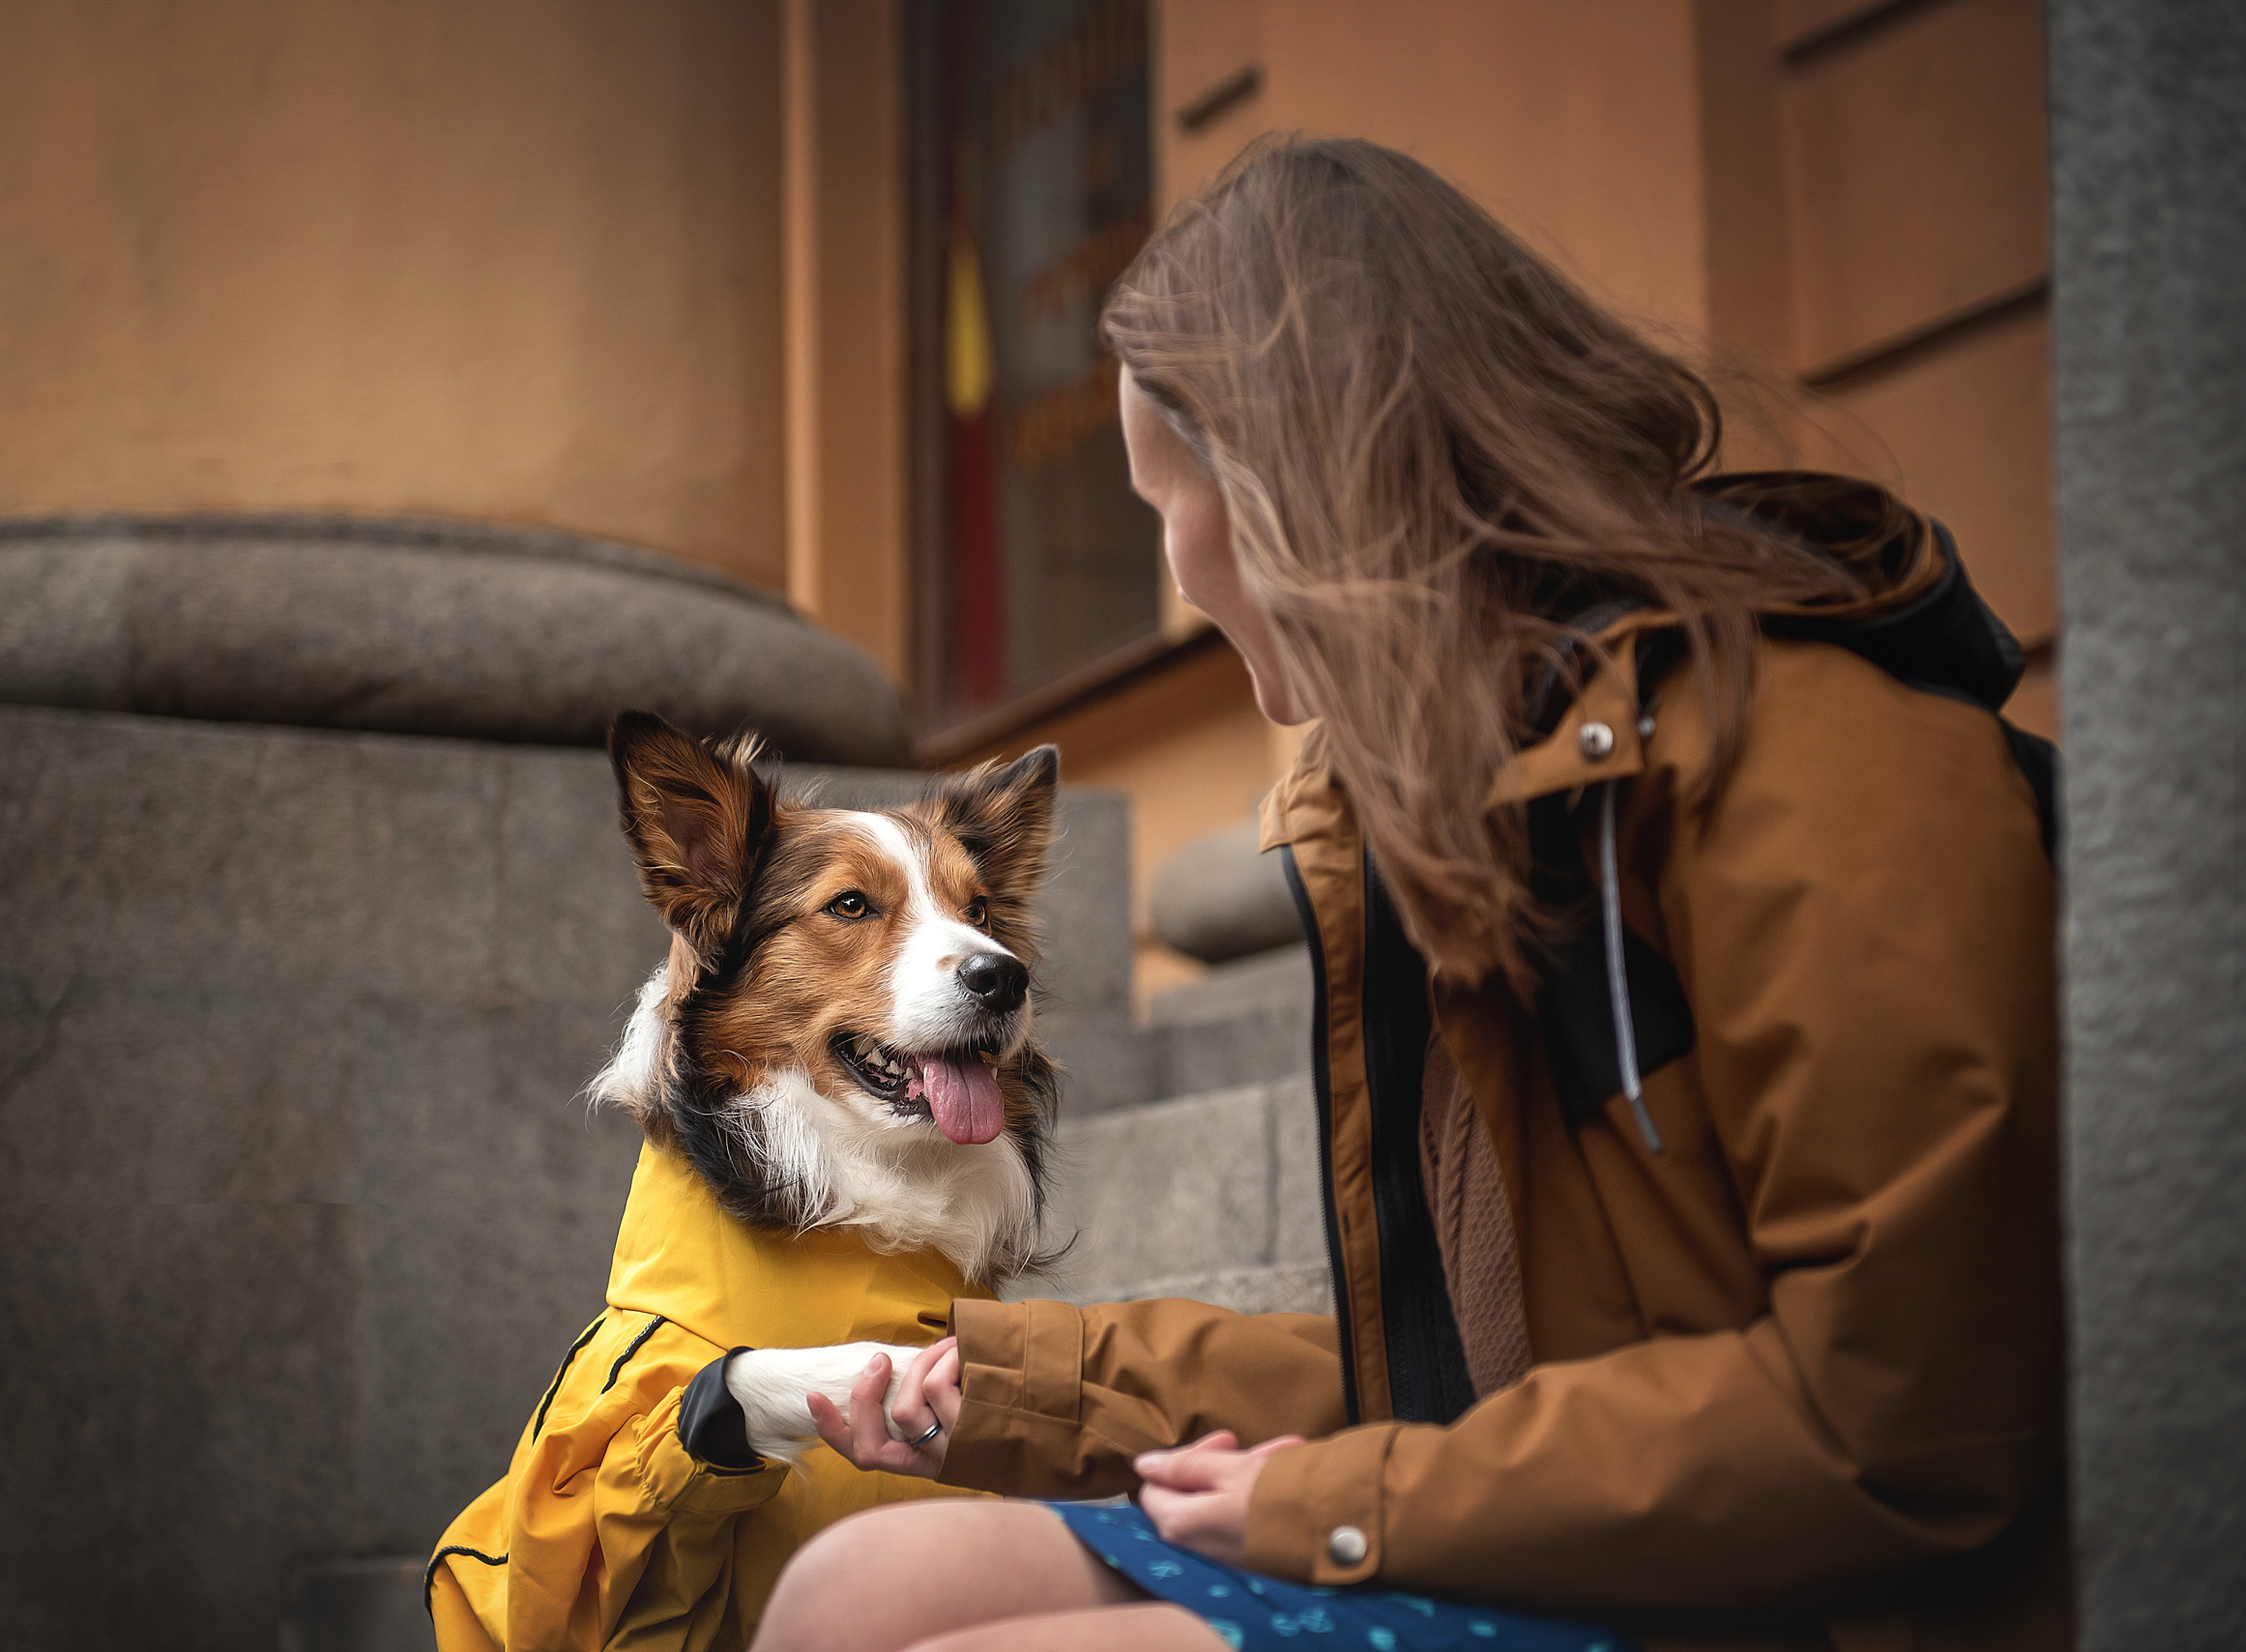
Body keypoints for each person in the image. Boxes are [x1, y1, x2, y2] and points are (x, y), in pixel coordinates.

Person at [749, 135, 2064, 1652]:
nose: (1177, 578)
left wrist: (1341, 1502)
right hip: (1596, 1527)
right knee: (859, 1590)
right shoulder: (1466, 798)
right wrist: (1030, 1387)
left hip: (1798, 1598)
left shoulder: (1816, 755)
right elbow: (1465, 1379)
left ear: (1282, 487)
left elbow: (1907, 1422)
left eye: (1162, 501)